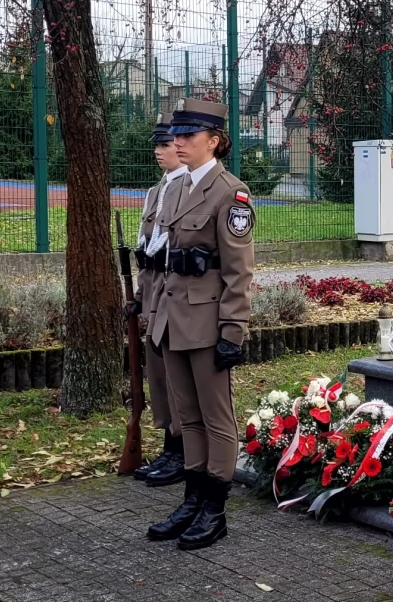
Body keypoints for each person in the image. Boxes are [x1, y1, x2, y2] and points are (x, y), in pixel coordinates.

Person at [145, 98, 254, 551]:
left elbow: (238, 270)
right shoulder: (173, 188)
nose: (179, 142)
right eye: (178, 135)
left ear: (214, 141)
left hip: (208, 324)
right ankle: (192, 498)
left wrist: (233, 330)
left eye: (189, 135)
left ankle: (214, 506)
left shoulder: (231, 192)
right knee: (187, 417)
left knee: (215, 418)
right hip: (172, 321)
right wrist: (153, 316)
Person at [130, 112, 188, 487]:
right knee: (157, 374)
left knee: (176, 376)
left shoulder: (188, 190)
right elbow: (146, 248)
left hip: (175, 297)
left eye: (165, 144)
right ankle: (169, 445)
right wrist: (138, 296)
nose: (159, 151)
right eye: (157, 144)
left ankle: (181, 449)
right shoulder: (156, 191)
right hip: (153, 293)